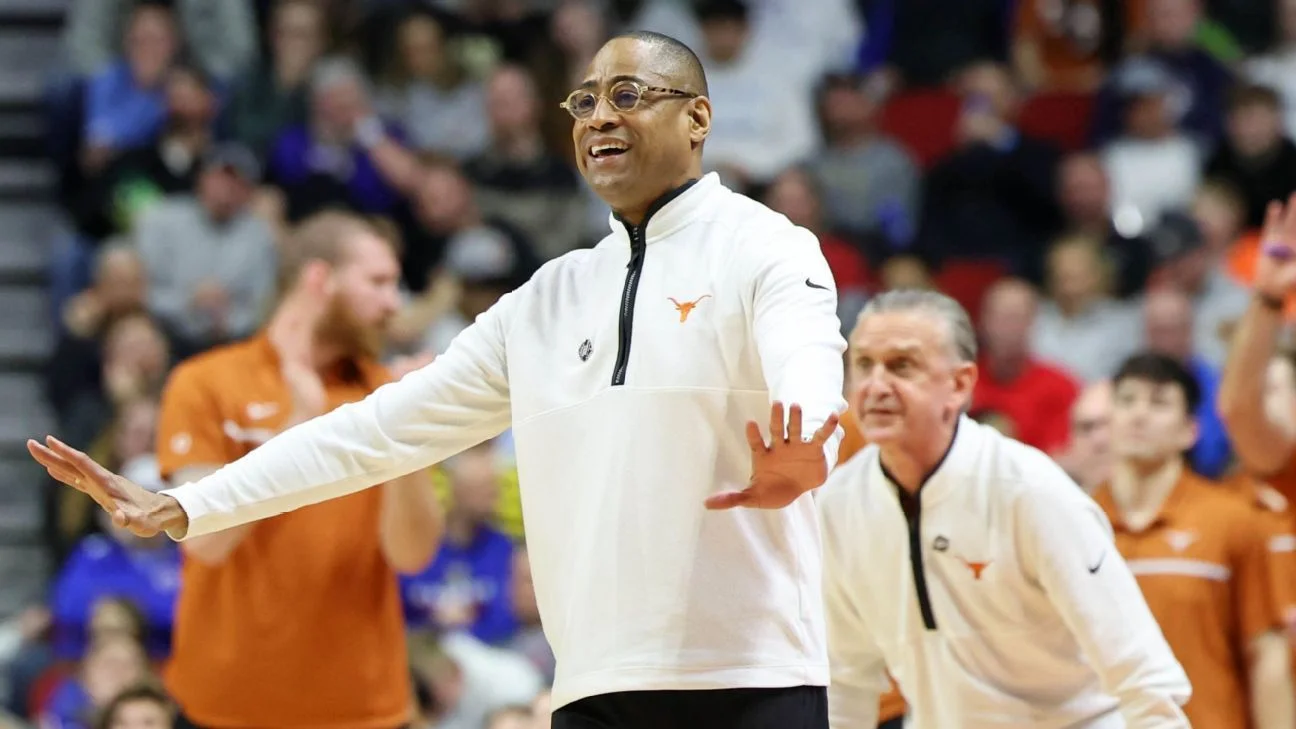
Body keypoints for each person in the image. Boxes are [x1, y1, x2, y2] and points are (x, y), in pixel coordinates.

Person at [30, 31, 848, 729]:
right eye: (584, 101)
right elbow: (376, 429)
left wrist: (809, 439)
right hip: (596, 683)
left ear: (696, 117)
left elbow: (806, 360)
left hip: (755, 673)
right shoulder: (545, 299)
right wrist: (191, 502)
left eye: (628, 94)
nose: (599, 115)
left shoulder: (767, 248)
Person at [110, 211, 443, 729]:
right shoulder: (206, 381)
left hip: (364, 708)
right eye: (377, 281)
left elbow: (413, 554)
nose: (392, 303)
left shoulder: (387, 393)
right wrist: (298, 426)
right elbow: (204, 540)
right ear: (319, 279)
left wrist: (405, 430)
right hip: (225, 707)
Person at [818, 289, 1191, 728]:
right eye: (863, 364)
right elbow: (846, 681)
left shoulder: (1031, 491)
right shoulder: (839, 503)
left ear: (959, 385)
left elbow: (1144, 677)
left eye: (902, 366)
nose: (876, 385)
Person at [1092, 352, 1293, 729]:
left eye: (1159, 402)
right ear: (1109, 420)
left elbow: (1267, 654)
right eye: (1127, 399)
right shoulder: (1077, 524)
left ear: (1190, 430)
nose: (1139, 414)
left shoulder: (1232, 520)